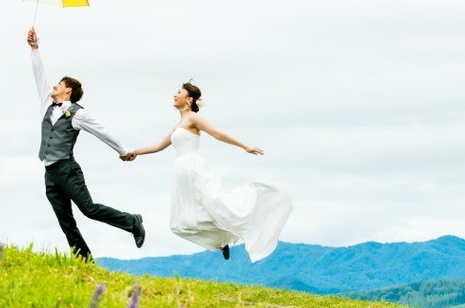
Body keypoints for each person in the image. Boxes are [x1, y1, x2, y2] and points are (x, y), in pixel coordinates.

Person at [123, 82, 292, 262]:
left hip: (194, 169)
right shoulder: (179, 124)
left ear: (188, 99)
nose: (174, 95)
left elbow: (218, 134)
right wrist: (133, 152)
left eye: (178, 92)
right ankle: (220, 241)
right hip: (181, 174)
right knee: (182, 223)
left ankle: (241, 218)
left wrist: (245, 146)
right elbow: (158, 146)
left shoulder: (193, 118)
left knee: (217, 206)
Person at [27, 28, 145, 261]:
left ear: (67, 90)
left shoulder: (78, 114)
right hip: (50, 172)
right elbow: (38, 75)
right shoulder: (46, 104)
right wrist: (34, 48)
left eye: (58, 84)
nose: (53, 86)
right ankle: (84, 261)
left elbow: (103, 131)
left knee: (89, 210)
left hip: (67, 170)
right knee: (65, 220)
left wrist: (122, 152)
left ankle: (132, 222)